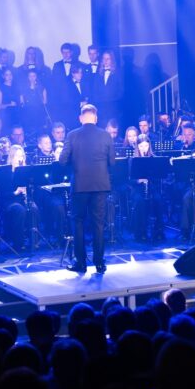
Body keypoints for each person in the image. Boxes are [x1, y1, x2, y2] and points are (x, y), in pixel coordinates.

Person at [58, 104, 115, 274]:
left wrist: (75, 162)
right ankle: (99, 263)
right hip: (100, 185)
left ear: (81, 118)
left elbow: (62, 161)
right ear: (96, 118)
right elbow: (112, 162)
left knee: (78, 223)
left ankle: (81, 263)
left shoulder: (72, 135)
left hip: (80, 185)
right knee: (99, 224)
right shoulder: (106, 135)